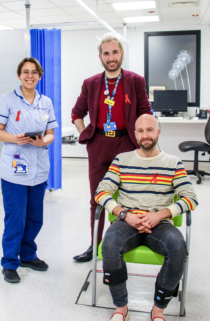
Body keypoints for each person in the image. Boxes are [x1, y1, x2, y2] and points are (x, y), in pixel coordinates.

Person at [94, 114, 198, 321]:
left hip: (160, 223)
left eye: (150, 130)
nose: (145, 135)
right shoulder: (121, 160)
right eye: (140, 131)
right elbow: (101, 193)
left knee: (178, 248)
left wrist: (160, 214)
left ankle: (158, 310)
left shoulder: (173, 163)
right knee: (110, 245)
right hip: (126, 220)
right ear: (135, 135)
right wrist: (125, 214)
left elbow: (191, 199)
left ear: (158, 132)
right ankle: (121, 308)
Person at [71, 32, 152, 262]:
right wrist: (86, 135)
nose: (111, 57)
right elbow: (77, 113)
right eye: (106, 53)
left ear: (122, 54)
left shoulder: (135, 81)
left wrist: (144, 141)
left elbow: (145, 113)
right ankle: (95, 246)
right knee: (97, 199)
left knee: (127, 199)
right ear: (100, 57)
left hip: (126, 144)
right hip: (99, 145)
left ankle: (121, 244)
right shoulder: (91, 83)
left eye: (115, 52)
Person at [0, 57, 58, 284]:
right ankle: (9, 262)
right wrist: (15, 139)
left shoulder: (46, 102)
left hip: (39, 169)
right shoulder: (7, 100)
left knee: (34, 218)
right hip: (14, 169)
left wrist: (43, 142)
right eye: (25, 72)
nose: (30, 75)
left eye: (34, 72)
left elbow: (50, 133)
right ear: (19, 75)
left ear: (39, 76)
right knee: (15, 219)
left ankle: (28, 255)